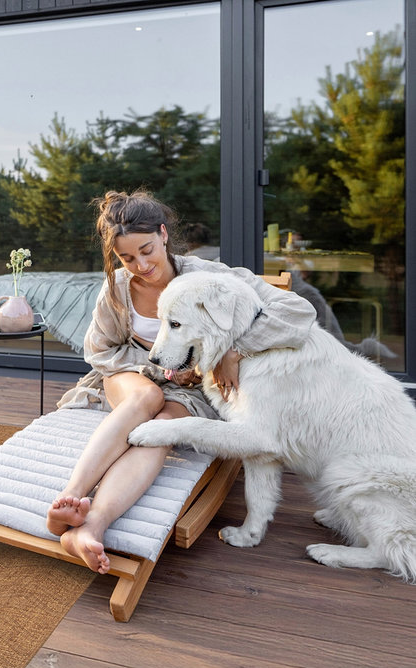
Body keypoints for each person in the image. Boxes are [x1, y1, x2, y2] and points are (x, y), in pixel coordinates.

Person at [48, 189, 317, 574]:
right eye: (127, 257)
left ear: (163, 234)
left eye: (146, 250)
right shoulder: (118, 289)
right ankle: (69, 500)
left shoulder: (209, 278)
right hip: (132, 378)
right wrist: (156, 369)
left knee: (163, 427)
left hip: (191, 391)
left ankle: (90, 526)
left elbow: (297, 311)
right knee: (147, 398)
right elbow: (100, 350)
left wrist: (232, 351)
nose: (140, 265)